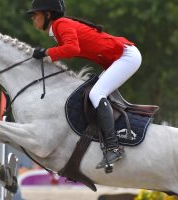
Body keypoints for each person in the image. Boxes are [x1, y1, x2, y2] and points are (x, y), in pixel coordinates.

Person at [27, 0, 142, 170]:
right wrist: (47, 54)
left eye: (35, 15)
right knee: (93, 93)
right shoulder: (59, 27)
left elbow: (72, 49)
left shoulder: (61, 24)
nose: (33, 19)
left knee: (96, 94)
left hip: (126, 57)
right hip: (120, 58)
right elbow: (72, 49)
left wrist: (46, 52)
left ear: (48, 14)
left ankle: (113, 147)